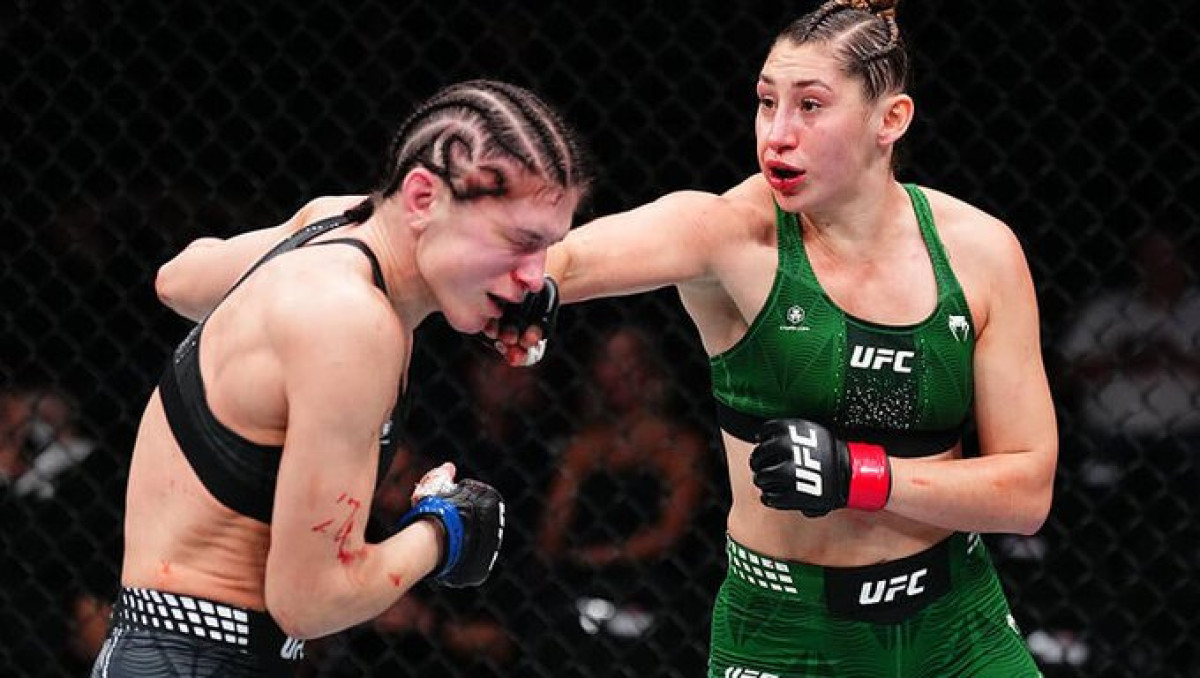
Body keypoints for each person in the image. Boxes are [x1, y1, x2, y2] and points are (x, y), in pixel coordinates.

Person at [493, 2, 1057, 675]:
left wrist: (857, 475)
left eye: (810, 105)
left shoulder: (980, 253)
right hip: (786, 634)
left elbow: (1027, 494)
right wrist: (537, 284)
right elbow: (577, 257)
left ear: (891, 119)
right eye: (767, 102)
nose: (778, 134)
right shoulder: (735, 235)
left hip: (958, 625)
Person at [90, 79, 590, 677]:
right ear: (422, 198)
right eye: (519, 241)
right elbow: (310, 601)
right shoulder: (350, 322)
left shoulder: (329, 229)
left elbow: (177, 280)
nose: (535, 277)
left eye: (546, 248)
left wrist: (475, 282)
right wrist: (445, 530)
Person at [1055, 227, 1200, 673]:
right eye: (1149, 256)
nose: (1159, 266)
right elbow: (1062, 374)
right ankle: (1105, 642)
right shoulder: (1109, 309)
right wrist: (1122, 357)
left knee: (1176, 545)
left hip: (1186, 444)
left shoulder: (1195, 309)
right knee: (1105, 544)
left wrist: (1174, 357)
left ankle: (1176, 645)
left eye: (1168, 255)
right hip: (1111, 442)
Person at [533, 324, 709, 673]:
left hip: (655, 578)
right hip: (581, 577)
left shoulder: (680, 445)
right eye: (608, 360)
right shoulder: (584, 445)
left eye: (627, 359)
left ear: (650, 368)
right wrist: (557, 563)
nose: (616, 371)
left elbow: (670, 532)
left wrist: (606, 555)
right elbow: (554, 523)